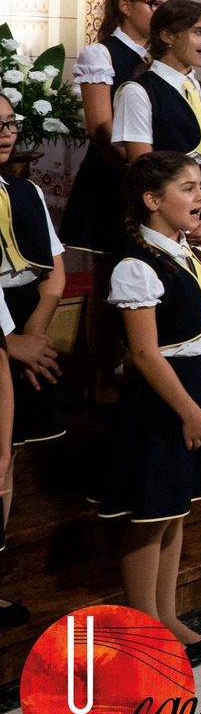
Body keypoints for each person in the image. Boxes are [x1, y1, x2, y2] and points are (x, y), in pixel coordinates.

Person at [96, 152, 201, 665]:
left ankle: (166, 612)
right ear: (153, 200)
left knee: (177, 509)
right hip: (162, 398)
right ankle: (142, 627)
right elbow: (145, 354)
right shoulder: (137, 265)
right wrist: (189, 412)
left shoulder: (198, 256)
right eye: (188, 188)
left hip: (200, 386)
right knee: (151, 514)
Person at [66, 0, 170, 404]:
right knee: (110, 276)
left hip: (159, 180)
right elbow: (101, 128)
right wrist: (139, 175)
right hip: (116, 178)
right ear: (126, 7)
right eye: (154, 4)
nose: (162, 12)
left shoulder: (161, 57)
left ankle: (145, 367)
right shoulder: (102, 53)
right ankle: (101, 375)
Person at [113, 0, 201, 259]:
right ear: (167, 35)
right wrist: (178, 220)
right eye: (199, 32)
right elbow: (143, 166)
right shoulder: (139, 91)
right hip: (164, 212)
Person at [0, 94, 69, 469]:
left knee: (12, 447)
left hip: (26, 314)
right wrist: (11, 343)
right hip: (3, 328)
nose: (7, 133)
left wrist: (34, 335)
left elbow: (54, 275)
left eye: (11, 123)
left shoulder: (27, 190)